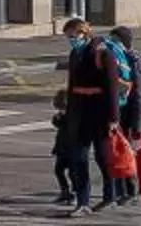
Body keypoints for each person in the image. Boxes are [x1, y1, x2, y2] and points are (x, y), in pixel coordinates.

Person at [52, 18, 120, 216]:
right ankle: (83, 202)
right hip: (78, 113)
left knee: (102, 157)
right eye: (68, 38)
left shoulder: (103, 54)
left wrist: (113, 118)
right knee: (78, 158)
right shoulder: (75, 54)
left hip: (99, 113)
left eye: (74, 36)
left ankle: (110, 195)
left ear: (85, 33)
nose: (71, 41)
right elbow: (71, 86)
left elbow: (112, 89)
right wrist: (67, 113)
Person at [101, 26, 141, 208]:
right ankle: (119, 191)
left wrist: (138, 126)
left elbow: (140, 96)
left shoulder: (134, 61)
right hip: (118, 110)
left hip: (129, 114)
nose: (112, 43)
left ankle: (132, 192)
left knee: (127, 154)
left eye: (115, 39)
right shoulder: (115, 58)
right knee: (116, 153)